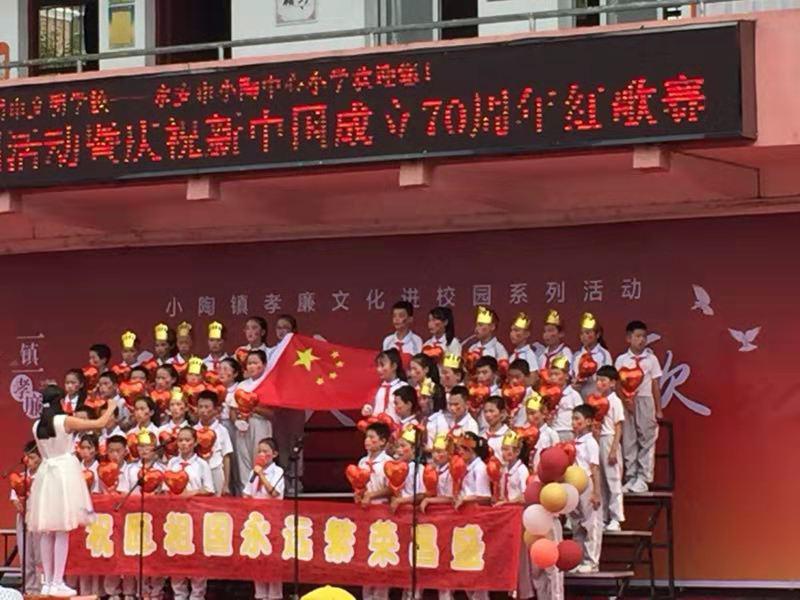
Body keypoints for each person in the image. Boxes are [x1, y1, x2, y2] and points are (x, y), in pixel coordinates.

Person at [28, 385, 115, 597]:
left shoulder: (37, 425)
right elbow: (99, 423)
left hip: (47, 474)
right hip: (63, 473)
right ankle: (57, 581)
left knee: (48, 530)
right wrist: (111, 407)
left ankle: (48, 581)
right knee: (62, 529)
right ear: (59, 401)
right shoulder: (64, 421)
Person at [614, 320, 663, 493]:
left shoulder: (651, 359)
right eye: (637, 336)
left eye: (644, 336)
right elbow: (617, 384)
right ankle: (631, 477)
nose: (641, 340)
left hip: (645, 400)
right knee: (629, 439)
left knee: (646, 438)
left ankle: (643, 478)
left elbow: (655, 385)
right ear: (629, 338)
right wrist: (624, 401)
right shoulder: (621, 359)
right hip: (627, 402)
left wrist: (658, 409)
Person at [168, 428, 214, 600]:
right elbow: (166, 487)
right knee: (177, 554)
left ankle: (197, 594)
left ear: (195, 442)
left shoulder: (202, 464)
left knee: (196, 554)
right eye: (180, 440)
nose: (184, 444)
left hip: (196, 514)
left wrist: (190, 493)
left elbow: (209, 489)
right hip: (176, 515)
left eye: (187, 440)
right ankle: (179, 593)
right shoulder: (172, 463)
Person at [242, 438, 284, 600]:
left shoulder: (278, 472)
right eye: (259, 451)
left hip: (272, 519)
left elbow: (274, 492)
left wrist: (261, 475)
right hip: (255, 521)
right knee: (257, 557)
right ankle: (260, 594)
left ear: (274, 454)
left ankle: (274, 595)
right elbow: (247, 493)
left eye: (265, 452)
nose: (261, 454)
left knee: (272, 559)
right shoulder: (253, 472)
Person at [356, 422, 392, 600]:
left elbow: (391, 488)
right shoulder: (362, 462)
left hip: (381, 510)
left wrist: (372, 495)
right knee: (366, 554)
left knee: (380, 554)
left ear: (383, 441)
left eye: (372, 438)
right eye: (366, 437)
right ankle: (367, 595)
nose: (367, 441)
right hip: (365, 511)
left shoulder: (388, 462)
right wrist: (359, 494)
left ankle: (380, 595)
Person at [233, 350, 273, 495]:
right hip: (243, 426)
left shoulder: (268, 385)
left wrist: (253, 408)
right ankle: (245, 493)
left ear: (264, 365)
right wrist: (237, 421)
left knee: (260, 457)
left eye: (255, 363)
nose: (251, 366)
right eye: (249, 363)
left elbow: (272, 414)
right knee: (243, 458)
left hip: (260, 424)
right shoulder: (241, 386)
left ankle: (261, 492)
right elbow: (233, 409)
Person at [570, 404, 603, 574]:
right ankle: (578, 559)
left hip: (587, 483)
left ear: (588, 422)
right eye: (572, 419)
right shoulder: (573, 442)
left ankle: (592, 561)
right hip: (574, 485)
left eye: (577, 419)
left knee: (591, 523)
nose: (573, 422)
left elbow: (595, 468)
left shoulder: (591, 442)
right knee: (577, 524)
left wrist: (596, 492)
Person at [594, 366, 626, 531]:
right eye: (598, 380)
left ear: (612, 383)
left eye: (603, 380)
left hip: (609, 439)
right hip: (598, 440)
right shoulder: (595, 400)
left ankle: (616, 518)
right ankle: (603, 516)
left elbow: (618, 426)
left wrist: (613, 449)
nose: (599, 384)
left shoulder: (615, 401)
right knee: (600, 481)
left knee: (613, 480)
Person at [10, 442, 41, 595]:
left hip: (40, 519)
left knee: (39, 556)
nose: (29, 461)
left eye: (33, 457)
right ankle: (29, 589)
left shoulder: (44, 477)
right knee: (26, 555)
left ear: (41, 458)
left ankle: (41, 588)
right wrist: (17, 503)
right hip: (23, 519)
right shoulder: (21, 477)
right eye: (27, 457)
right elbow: (14, 497)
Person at [195, 390, 233, 496]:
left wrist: (226, 484)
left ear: (215, 409)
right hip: (197, 471)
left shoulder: (222, 430)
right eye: (200, 407)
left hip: (215, 470)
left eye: (207, 407)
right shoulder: (193, 430)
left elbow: (226, 457)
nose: (203, 410)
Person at [571, 313, 613, 400]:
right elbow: (572, 376)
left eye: (588, 333)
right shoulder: (577, 356)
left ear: (597, 334)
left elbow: (607, 377)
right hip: (579, 396)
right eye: (582, 333)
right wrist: (575, 383)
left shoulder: (604, 354)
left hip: (598, 395)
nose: (584, 336)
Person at [426, 386, 479, 451]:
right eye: (450, 404)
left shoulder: (471, 425)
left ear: (467, 404)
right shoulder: (440, 419)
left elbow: (469, 451)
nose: (452, 408)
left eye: (456, 404)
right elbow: (429, 444)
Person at [363, 349, 408, 422]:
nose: (378, 369)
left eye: (382, 365)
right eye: (377, 366)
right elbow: (370, 405)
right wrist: (367, 409)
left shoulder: (404, 388)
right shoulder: (377, 389)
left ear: (394, 366)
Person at [549, 356, 582, 442]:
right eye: (551, 375)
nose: (553, 377)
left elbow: (580, 416)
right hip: (552, 431)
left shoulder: (574, 395)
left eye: (556, 374)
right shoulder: (547, 395)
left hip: (567, 431)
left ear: (566, 376)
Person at [465, 306, 508, 372]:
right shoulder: (472, 348)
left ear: (492, 327)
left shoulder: (499, 350)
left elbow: (502, 373)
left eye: (480, 325)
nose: (476, 329)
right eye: (476, 325)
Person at [381, 301, 422, 369]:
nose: (396, 319)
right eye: (394, 316)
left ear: (410, 319)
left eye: (401, 316)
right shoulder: (387, 340)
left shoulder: (417, 341)